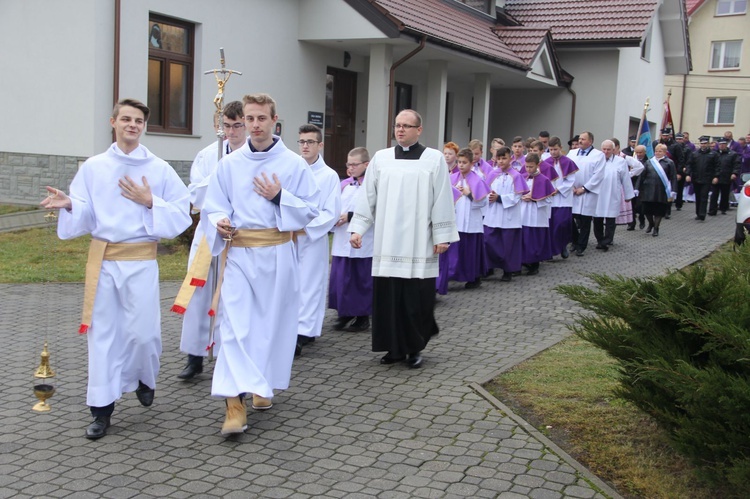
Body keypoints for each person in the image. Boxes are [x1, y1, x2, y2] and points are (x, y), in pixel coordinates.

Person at [40, 98, 191, 440]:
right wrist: (69, 205)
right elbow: (85, 210)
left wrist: (150, 201)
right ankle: (101, 409)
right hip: (104, 261)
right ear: (113, 122)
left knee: (143, 333)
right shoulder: (94, 167)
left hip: (140, 260)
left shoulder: (158, 168)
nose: (132, 125)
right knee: (103, 336)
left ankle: (143, 378)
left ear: (144, 126)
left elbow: (182, 213)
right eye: (126, 119)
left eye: (138, 120)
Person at [202, 93, 320, 435]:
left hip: (278, 253)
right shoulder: (229, 164)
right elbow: (214, 204)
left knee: (270, 327)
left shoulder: (294, 165)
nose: (254, 125)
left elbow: (312, 209)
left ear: (274, 121)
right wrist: (221, 219)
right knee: (236, 326)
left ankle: (260, 384)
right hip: (239, 253)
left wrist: (280, 197)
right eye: (249, 119)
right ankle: (233, 405)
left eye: (260, 119)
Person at [349, 109, 458, 369]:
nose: (400, 130)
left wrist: (442, 235)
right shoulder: (381, 158)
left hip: (420, 241)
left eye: (407, 126)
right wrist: (358, 229)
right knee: (388, 299)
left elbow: (443, 197)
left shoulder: (433, 159)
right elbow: (368, 195)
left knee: (415, 300)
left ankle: (413, 349)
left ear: (418, 130)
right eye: (397, 125)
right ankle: (393, 348)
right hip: (388, 241)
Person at [173, 101, 247, 380]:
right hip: (208, 235)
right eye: (226, 126)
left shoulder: (253, 155)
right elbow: (196, 195)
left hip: (238, 238)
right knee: (199, 295)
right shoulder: (208, 155)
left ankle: (229, 355)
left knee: (234, 297)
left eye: (237, 125)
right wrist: (220, 172)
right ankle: (195, 356)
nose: (231, 132)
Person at [294, 124, 341, 356]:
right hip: (289, 236)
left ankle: (304, 331)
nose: (305, 146)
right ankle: (290, 326)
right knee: (291, 283)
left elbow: (331, 211)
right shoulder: (292, 170)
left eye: (310, 142)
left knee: (310, 284)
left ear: (320, 145)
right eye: (301, 141)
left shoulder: (329, 175)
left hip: (312, 237)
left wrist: (306, 228)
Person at [329, 148, 373, 332]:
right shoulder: (344, 185)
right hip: (341, 239)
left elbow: (375, 211)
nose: (351, 168)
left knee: (360, 280)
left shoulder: (372, 187)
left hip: (364, 241)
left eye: (355, 164)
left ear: (366, 165)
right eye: (349, 164)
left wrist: (350, 216)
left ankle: (362, 316)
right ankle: (344, 313)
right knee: (341, 279)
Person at [436, 148, 490, 293]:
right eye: (459, 162)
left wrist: (469, 194)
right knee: (454, 252)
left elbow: (483, 202)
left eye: (464, 162)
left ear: (472, 163)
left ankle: (473, 277)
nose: (460, 165)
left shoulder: (478, 180)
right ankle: (450, 276)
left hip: (471, 223)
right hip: (456, 220)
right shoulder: (452, 178)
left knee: (470, 253)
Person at [484, 146, 528, 281]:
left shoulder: (516, 175)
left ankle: (507, 270)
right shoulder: (492, 174)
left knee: (508, 245)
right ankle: (489, 267)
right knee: (489, 241)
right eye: (499, 158)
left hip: (509, 216)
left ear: (510, 159)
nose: (501, 161)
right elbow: (485, 191)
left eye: (504, 158)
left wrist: (500, 198)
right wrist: (489, 198)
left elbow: (517, 196)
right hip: (493, 215)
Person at [590, 140, 635, 250]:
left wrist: (629, 195)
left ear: (613, 150)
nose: (606, 151)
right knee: (597, 219)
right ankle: (600, 240)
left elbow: (626, 179)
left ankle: (607, 239)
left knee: (610, 219)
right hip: (598, 195)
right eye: (604, 149)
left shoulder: (620, 162)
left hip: (612, 194)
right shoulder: (595, 160)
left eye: (608, 149)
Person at [568, 131, 606, 256]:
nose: (580, 141)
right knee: (570, 218)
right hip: (572, 191)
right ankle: (575, 240)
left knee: (585, 220)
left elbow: (598, 175)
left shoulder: (598, 155)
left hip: (587, 192)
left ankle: (581, 246)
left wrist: (584, 188)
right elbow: (566, 170)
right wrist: (571, 186)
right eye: (579, 139)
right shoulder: (572, 153)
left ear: (590, 141)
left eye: (583, 139)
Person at [540, 137, 578, 258]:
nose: (553, 152)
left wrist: (560, 189)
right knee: (551, 225)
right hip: (550, 198)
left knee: (562, 224)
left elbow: (571, 180)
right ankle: (550, 250)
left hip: (563, 198)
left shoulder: (568, 162)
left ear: (561, 148)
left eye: (555, 149)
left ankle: (562, 246)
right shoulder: (545, 162)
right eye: (550, 149)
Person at [519, 153, 556, 275]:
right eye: (527, 167)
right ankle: (523, 261)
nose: (528, 169)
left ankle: (534, 264)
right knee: (523, 239)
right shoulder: (522, 177)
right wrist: (522, 197)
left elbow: (549, 198)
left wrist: (534, 198)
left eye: (531, 167)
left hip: (536, 214)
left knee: (534, 240)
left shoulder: (544, 180)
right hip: (523, 212)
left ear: (537, 165)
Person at [636, 143, 677, 237]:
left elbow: (673, 177)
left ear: (665, 152)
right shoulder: (649, 162)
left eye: (660, 151)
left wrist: (674, 190)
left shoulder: (669, 162)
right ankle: (651, 223)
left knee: (659, 210)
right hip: (648, 190)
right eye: (656, 151)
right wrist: (637, 188)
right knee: (647, 210)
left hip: (661, 190)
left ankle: (656, 228)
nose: (658, 153)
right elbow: (642, 176)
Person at [685, 136, 719, 221]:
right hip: (696, 178)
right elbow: (689, 164)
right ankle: (698, 213)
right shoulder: (695, 154)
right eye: (702, 143)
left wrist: (716, 176)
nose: (703, 145)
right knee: (698, 197)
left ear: (708, 144)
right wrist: (688, 174)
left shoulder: (713, 154)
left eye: (705, 143)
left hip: (707, 178)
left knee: (704, 196)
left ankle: (702, 214)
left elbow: (717, 167)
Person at [709, 137, 741, 216]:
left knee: (725, 194)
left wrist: (734, 173)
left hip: (727, 176)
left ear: (726, 145)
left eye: (723, 144)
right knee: (714, 194)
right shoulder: (714, 153)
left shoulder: (732, 154)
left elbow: (736, 165)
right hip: (716, 177)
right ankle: (712, 210)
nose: (722, 146)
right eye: (720, 144)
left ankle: (723, 208)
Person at [626, 145, 648, 230]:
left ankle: (642, 218)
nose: (638, 154)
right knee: (631, 205)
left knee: (639, 206)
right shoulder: (631, 160)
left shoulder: (648, 161)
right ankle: (631, 223)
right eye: (637, 152)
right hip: (631, 184)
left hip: (641, 187)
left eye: (640, 152)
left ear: (644, 152)